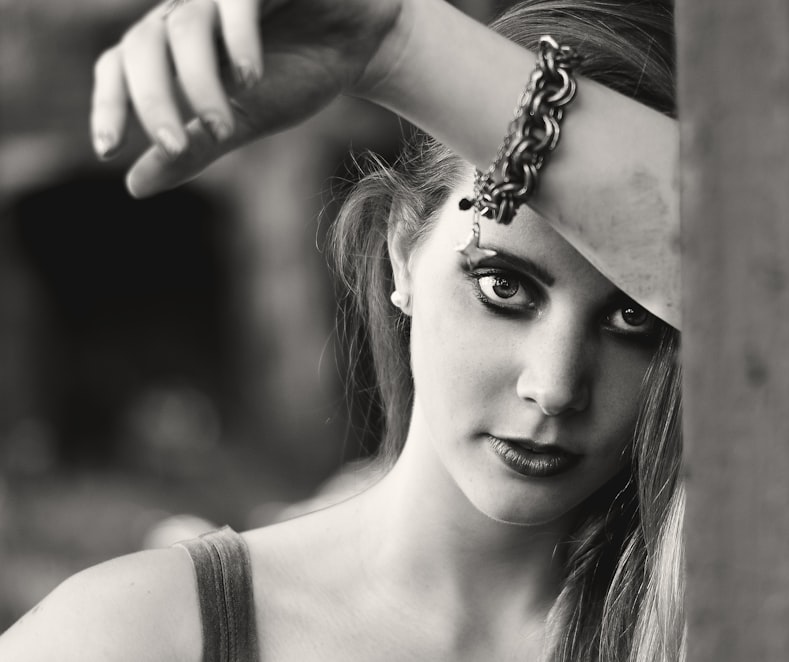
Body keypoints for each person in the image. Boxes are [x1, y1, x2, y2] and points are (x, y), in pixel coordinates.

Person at [0, 0, 685, 660]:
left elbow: (773, 268)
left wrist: (403, 43)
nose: (556, 385)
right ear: (402, 256)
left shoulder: (711, 626)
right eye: (503, 287)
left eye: (634, 319)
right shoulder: (139, 634)